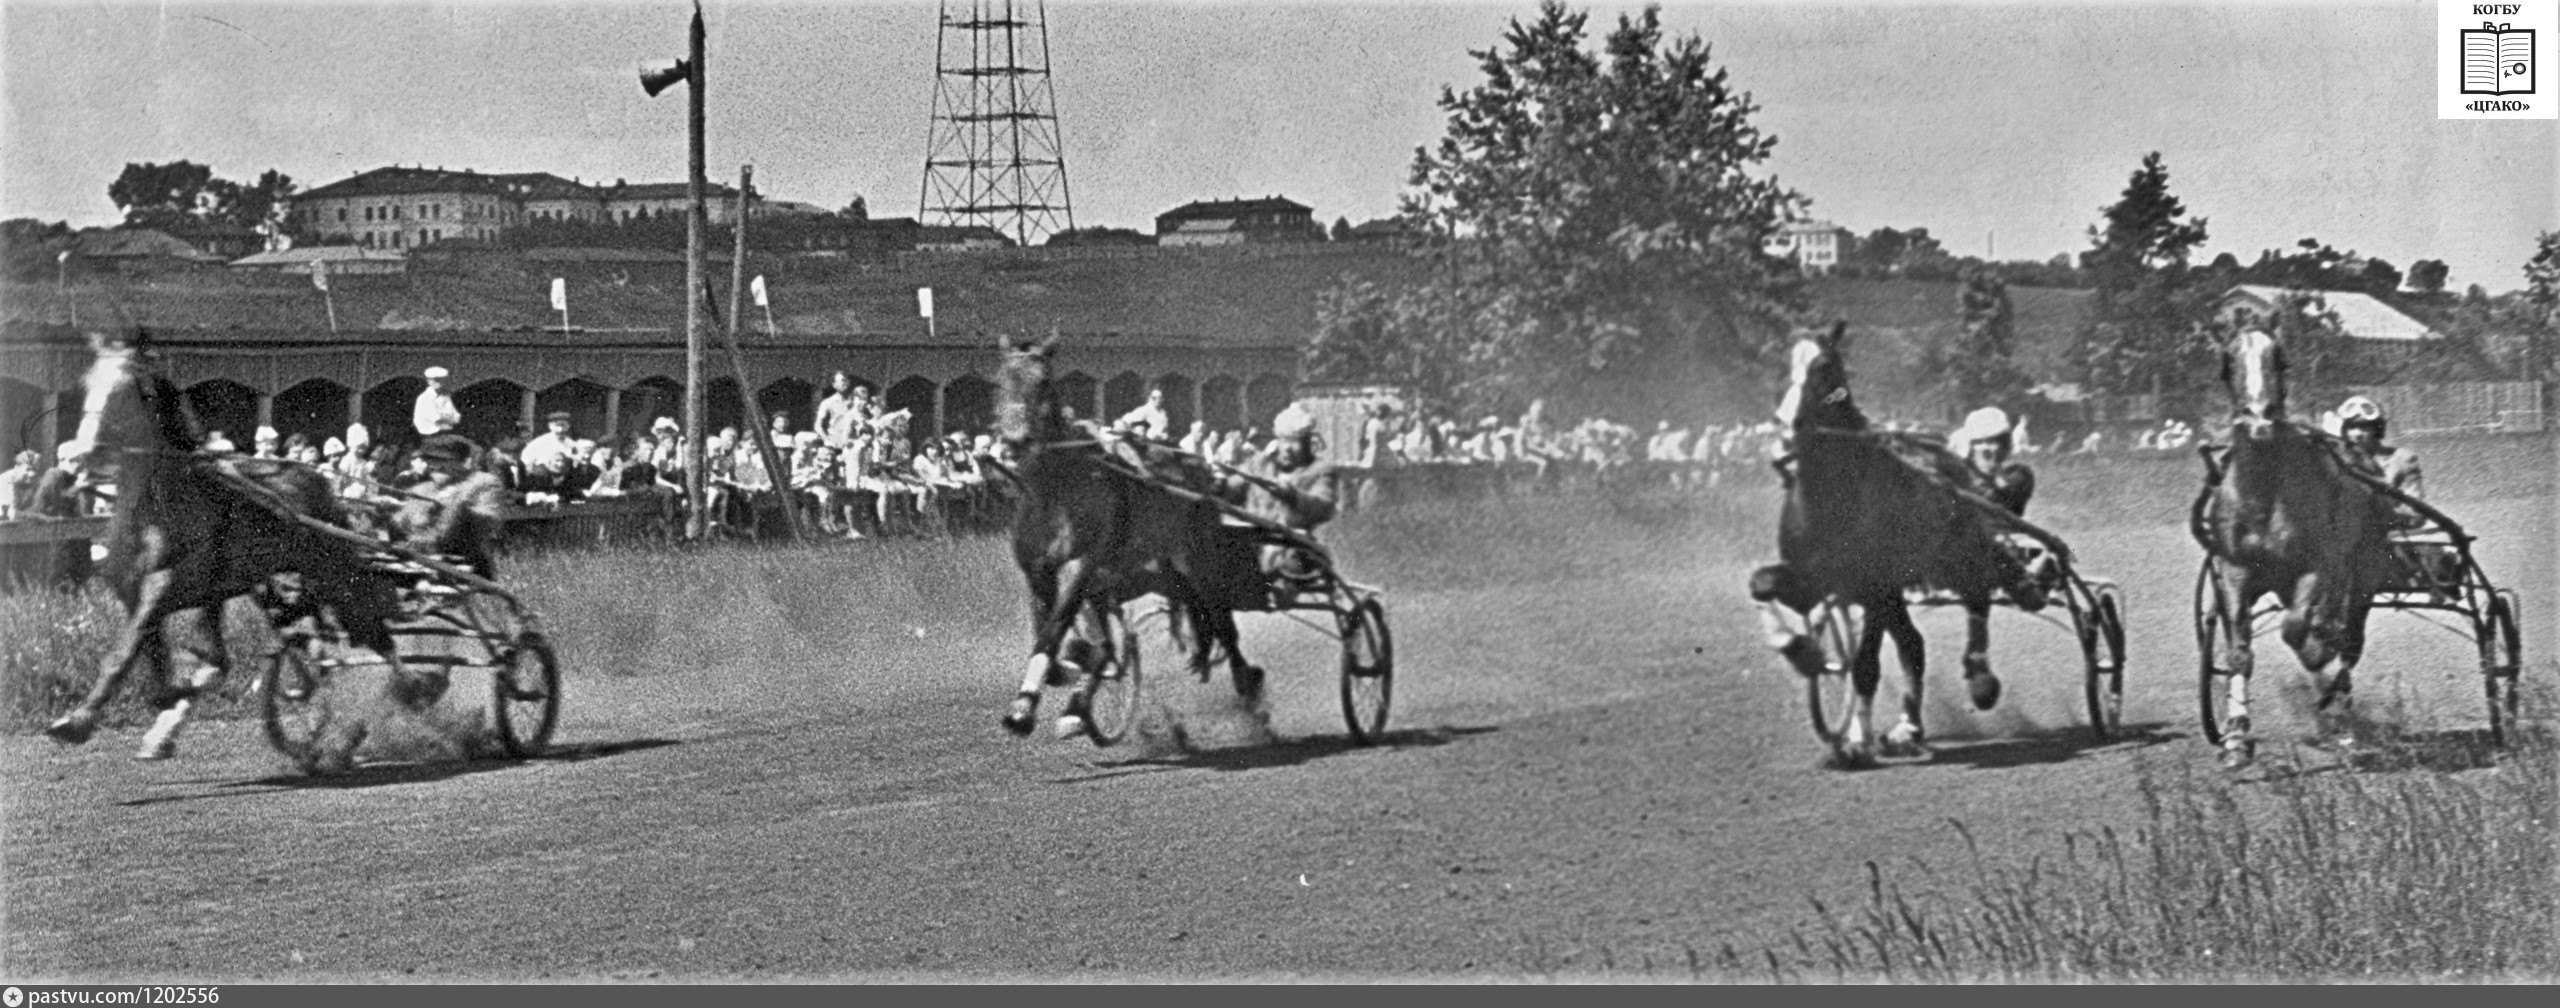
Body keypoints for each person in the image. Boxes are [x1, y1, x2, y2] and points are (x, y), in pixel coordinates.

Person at [1948, 406, 2051, 611]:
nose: (1990, 449)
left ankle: (2031, 582)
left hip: (2007, 539)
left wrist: (1992, 475)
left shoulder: (2018, 473)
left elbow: (2006, 493)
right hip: (1963, 544)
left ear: (2006, 446)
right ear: (1971, 446)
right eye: (1982, 443)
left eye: (1996, 442)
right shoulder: (1957, 475)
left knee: (2031, 552)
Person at [397, 434, 506, 579]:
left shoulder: (483, 482)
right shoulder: (422, 489)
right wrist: (385, 511)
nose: (434, 466)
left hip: (464, 566)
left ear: (462, 461)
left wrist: (453, 506)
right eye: (429, 459)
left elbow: (487, 521)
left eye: (442, 460)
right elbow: (402, 525)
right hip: (419, 564)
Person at [413, 366, 461, 438]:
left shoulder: (444, 395)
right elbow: (438, 420)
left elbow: (456, 416)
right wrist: (448, 419)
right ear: (429, 381)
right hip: (427, 435)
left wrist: (450, 419)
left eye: (443, 380)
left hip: (443, 433)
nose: (441, 383)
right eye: (437, 380)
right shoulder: (425, 398)